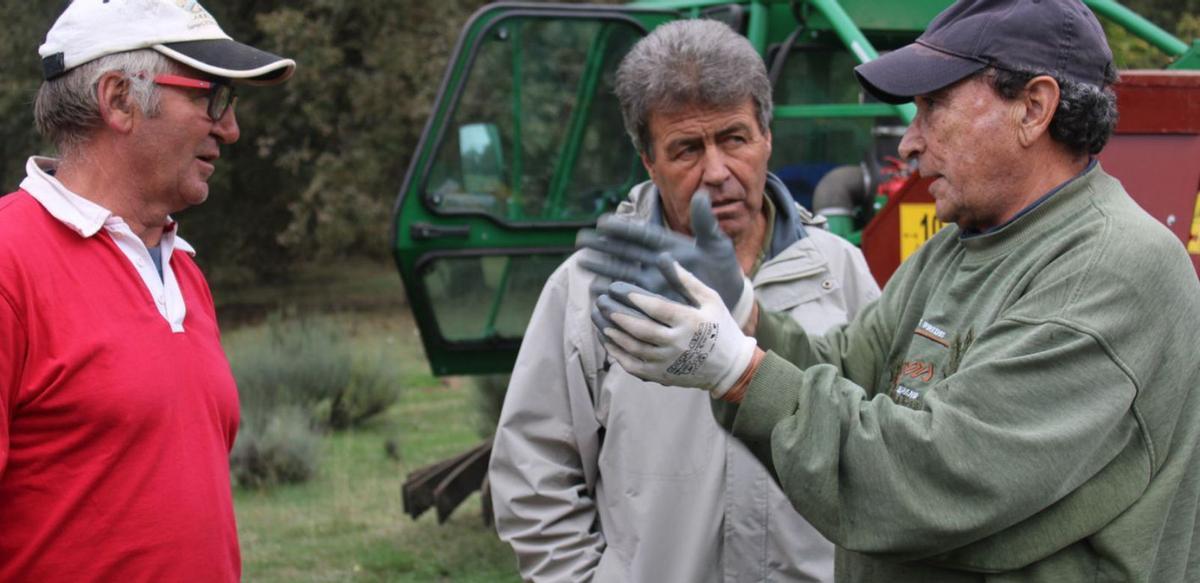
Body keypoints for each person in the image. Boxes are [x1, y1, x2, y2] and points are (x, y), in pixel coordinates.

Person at [587, 0, 1200, 581]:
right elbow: (849, 369)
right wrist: (744, 314)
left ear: (1034, 108)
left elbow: (930, 480)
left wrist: (740, 373)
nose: (909, 142)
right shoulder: (960, 246)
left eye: (934, 106)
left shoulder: (1111, 271)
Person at [487, 19, 880, 583]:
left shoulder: (837, 269)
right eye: (687, 149)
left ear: (767, 137)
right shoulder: (588, 286)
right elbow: (534, 471)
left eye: (735, 139)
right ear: (648, 161)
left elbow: (884, 445)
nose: (717, 172)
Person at [0, 1, 294, 580]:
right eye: (211, 97)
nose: (230, 128)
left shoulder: (180, 268)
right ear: (118, 99)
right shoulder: (9, 263)